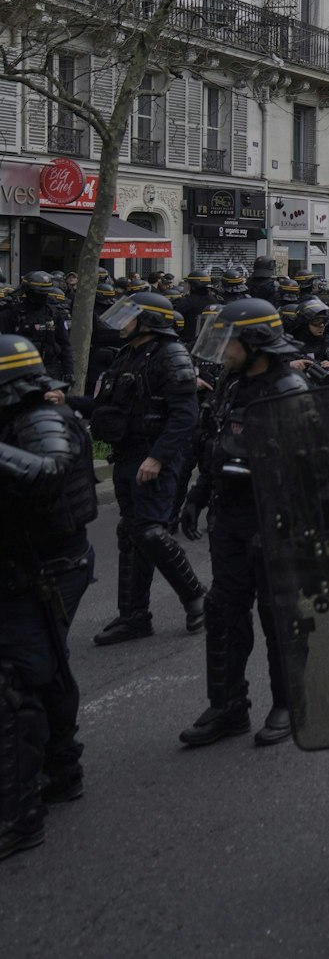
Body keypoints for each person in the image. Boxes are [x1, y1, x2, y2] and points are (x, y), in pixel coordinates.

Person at [177, 298, 308, 748]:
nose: (221, 349)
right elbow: (214, 442)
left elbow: (309, 469)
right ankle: (228, 706)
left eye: (228, 339)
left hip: (272, 523)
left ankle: (290, 702)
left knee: (278, 616)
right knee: (224, 612)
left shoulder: (289, 389)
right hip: (229, 518)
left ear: (254, 343)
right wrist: (196, 496)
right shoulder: (231, 383)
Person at [0, 334, 98, 860]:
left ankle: (18, 815)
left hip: (48, 569)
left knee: (16, 683)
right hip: (33, 564)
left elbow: (48, 474)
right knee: (47, 670)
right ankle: (62, 771)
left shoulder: (43, 419)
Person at [78, 293, 207, 646]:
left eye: (130, 317)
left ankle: (197, 598)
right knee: (131, 534)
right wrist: (67, 401)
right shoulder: (128, 355)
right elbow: (108, 405)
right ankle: (134, 616)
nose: (122, 324)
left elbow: (185, 416)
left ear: (149, 321)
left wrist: (159, 457)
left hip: (153, 460)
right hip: (126, 456)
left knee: (150, 531)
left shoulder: (172, 355)